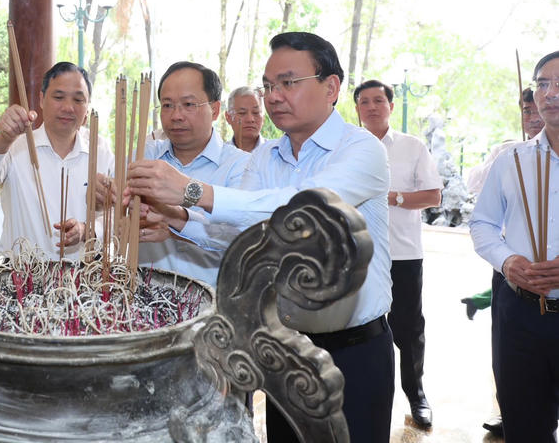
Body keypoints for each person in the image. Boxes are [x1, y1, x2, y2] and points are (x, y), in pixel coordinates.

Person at [128, 32, 393, 443]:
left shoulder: (361, 150)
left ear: (331, 87)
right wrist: (178, 221)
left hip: (354, 351)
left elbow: (300, 210)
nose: (273, 97)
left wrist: (191, 192)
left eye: (288, 83)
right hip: (283, 350)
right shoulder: (266, 157)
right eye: (269, 86)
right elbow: (246, 238)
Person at [470, 50, 559, 442]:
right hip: (520, 314)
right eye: (543, 84)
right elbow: (482, 224)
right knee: (525, 427)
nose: (550, 93)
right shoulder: (512, 160)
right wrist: (507, 262)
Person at [354, 79, 442, 429]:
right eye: (364, 101)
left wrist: (394, 198)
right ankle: (365, 395)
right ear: (357, 109)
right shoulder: (347, 147)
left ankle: (416, 393)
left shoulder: (412, 146)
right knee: (359, 326)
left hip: (403, 254)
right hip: (357, 254)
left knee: (407, 328)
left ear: (390, 105)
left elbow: (434, 196)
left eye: (378, 100)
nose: (372, 107)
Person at [0, 62, 114, 261]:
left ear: (87, 108)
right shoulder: (16, 145)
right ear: (41, 99)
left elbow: (119, 215)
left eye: (78, 100)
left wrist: (87, 230)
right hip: (23, 278)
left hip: (84, 279)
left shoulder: (101, 150)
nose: (68, 107)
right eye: (58, 97)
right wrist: (4, 138)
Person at [135, 62, 250, 287]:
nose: (176, 115)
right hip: (146, 300)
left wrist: (174, 222)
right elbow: (113, 210)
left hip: (211, 305)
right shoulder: (144, 157)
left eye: (188, 104)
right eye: (167, 105)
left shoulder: (240, 166)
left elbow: (240, 236)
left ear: (215, 110)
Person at [223, 85, 266, 152]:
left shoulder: (275, 153)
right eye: (242, 113)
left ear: (263, 118)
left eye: (256, 112)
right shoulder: (220, 155)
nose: (250, 119)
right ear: (228, 117)